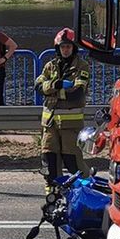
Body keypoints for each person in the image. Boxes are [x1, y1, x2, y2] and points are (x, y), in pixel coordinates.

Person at [34, 27, 91, 195]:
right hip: (50, 123)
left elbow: (78, 92)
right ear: (57, 48)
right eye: (62, 47)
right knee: (49, 158)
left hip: (70, 126)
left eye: (68, 47)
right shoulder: (50, 66)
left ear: (74, 48)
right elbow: (38, 86)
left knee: (72, 160)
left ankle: (83, 190)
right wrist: (56, 85)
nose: (65, 50)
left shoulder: (82, 66)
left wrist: (51, 89)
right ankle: (53, 191)